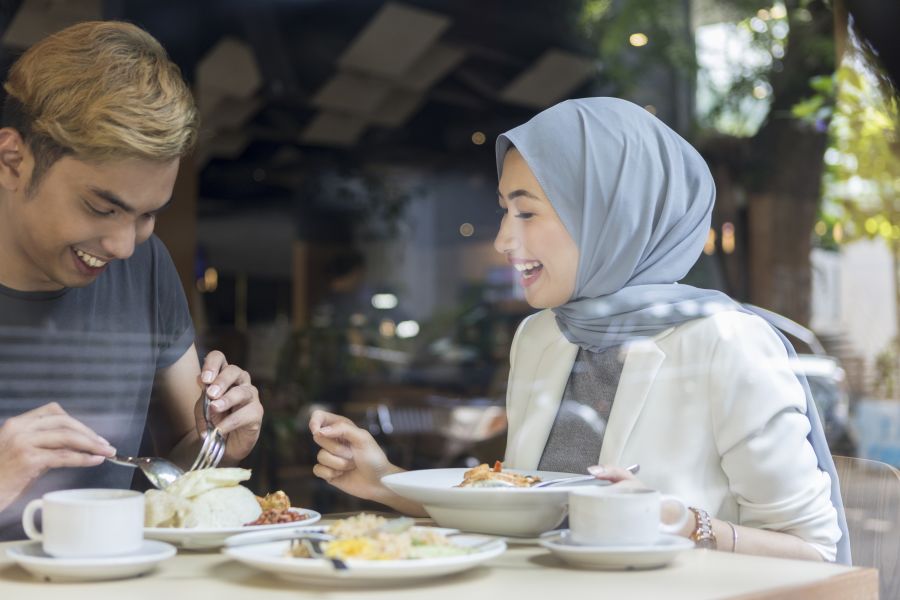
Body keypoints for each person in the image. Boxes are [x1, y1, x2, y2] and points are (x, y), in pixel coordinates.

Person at [310, 97, 849, 563]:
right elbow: (525, 512)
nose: (501, 240)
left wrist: (686, 524)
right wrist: (384, 481)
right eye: (504, 212)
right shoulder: (543, 337)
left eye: (526, 214)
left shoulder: (724, 341)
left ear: (612, 216)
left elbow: (814, 551)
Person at [0, 21, 263, 539]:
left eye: (148, 215)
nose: (123, 246)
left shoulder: (145, 264)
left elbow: (179, 460)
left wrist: (220, 442)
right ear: (13, 161)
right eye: (102, 207)